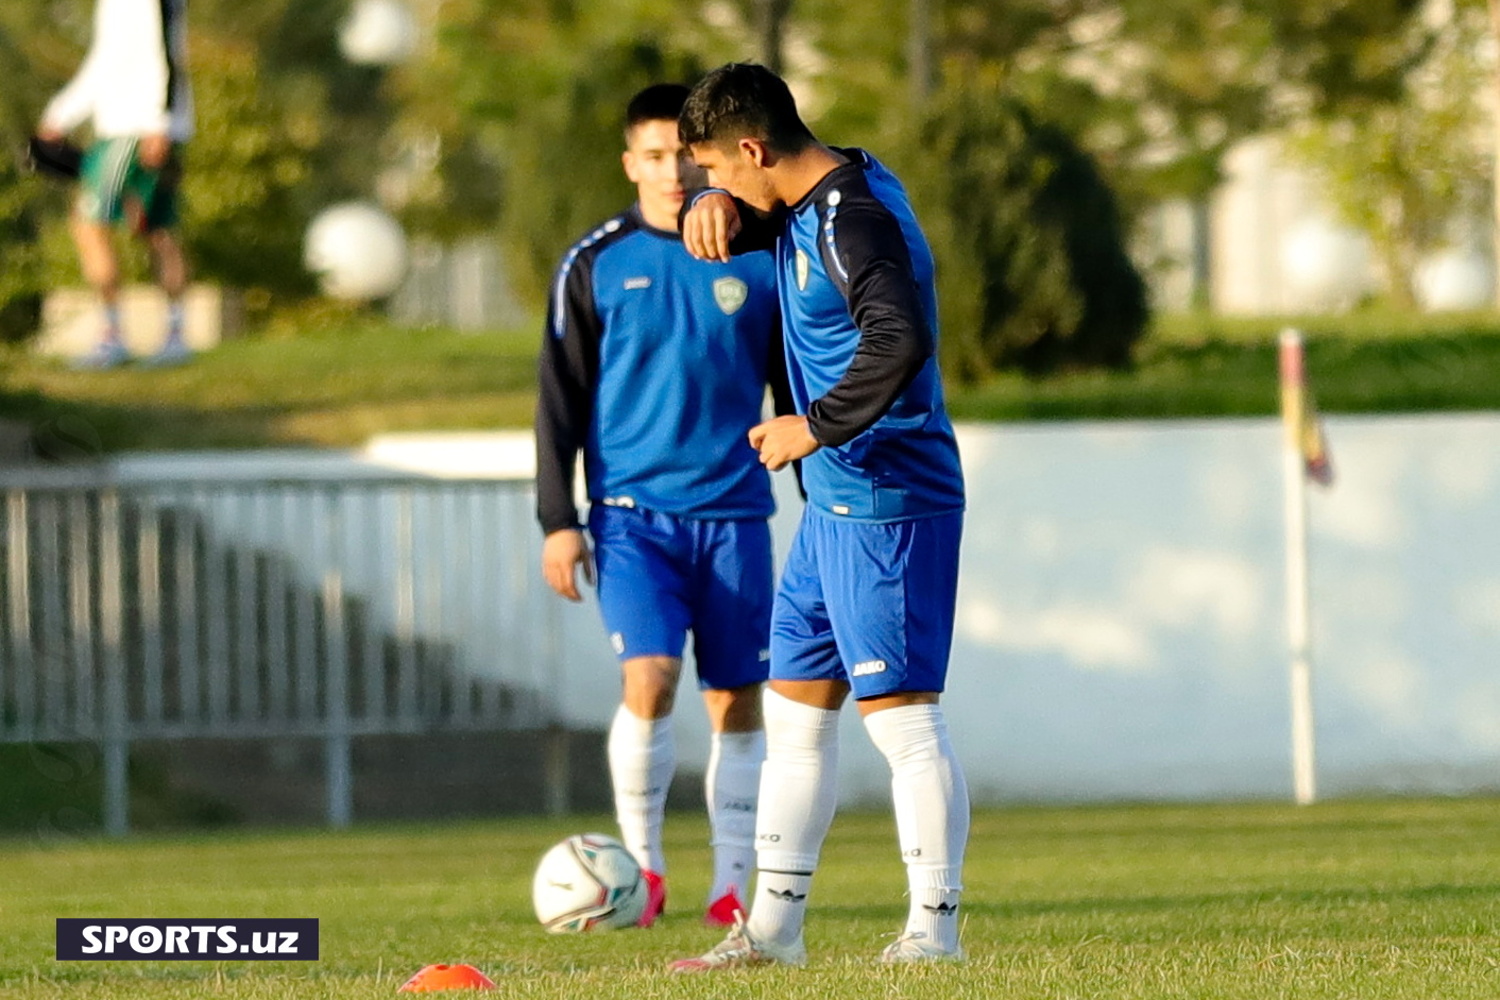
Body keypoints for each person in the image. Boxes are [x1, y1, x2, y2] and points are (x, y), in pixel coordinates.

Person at [668, 63, 970, 969]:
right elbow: (780, 216)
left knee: (902, 721)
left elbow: (899, 336)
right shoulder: (825, 194)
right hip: (834, 509)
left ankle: (935, 932)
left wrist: (815, 425)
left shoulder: (855, 220)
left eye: (719, 171)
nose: (715, 188)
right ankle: (772, 934)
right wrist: (712, 209)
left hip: (887, 499)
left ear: (754, 149)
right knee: (797, 714)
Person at [535, 83, 790, 929]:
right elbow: (558, 400)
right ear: (629, 164)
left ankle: (728, 887)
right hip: (632, 514)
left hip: (734, 514)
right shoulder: (596, 261)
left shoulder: (757, 257)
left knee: (737, 700)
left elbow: (791, 385)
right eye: (653, 155)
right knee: (649, 679)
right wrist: (557, 521)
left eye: (685, 153)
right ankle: (641, 874)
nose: (673, 170)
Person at [35, 0, 194, 369]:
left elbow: (166, 51)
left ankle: (116, 335)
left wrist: (160, 121)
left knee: (93, 223)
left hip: (137, 126)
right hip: (125, 124)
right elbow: (107, 58)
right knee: (154, 226)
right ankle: (170, 333)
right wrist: (61, 113)